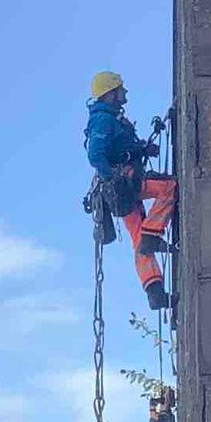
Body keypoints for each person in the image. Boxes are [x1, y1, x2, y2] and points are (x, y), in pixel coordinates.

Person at [84, 72, 175, 311]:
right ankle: (153, 233)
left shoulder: (112, 119)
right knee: (169, 187)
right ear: (110, 94)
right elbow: (96, 154)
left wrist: (143, 149)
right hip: (123, 184)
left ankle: (155, 292)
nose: (125, 93)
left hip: (120, 188)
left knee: (139, 241)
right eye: (120, 89)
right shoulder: (103, 120)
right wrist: (112, 179)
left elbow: (121, 150)